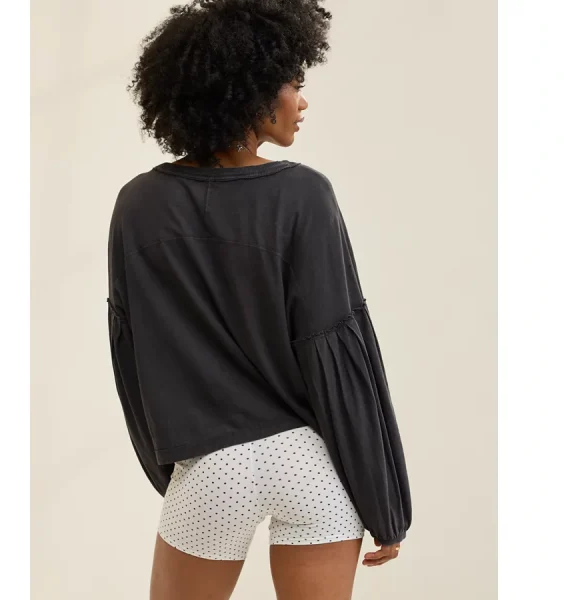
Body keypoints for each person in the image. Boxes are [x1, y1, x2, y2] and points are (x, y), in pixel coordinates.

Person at [106, 1, 412, 598]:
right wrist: (384, 502)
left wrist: (173, 470)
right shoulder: (305, 194)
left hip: (211, 466)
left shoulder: (138, 203)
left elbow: (130, 352)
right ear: (252, 92)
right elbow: (338, 351)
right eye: (294, 84)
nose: (302, 101)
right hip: (311, 465)